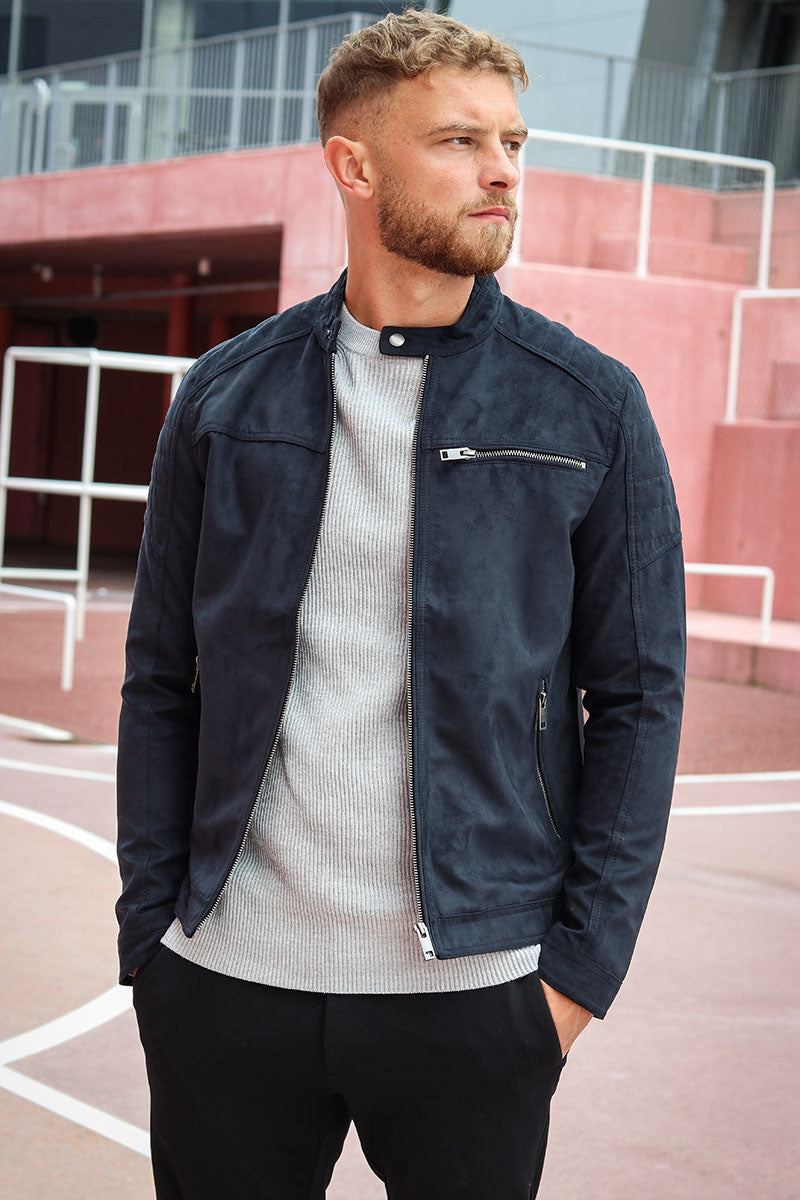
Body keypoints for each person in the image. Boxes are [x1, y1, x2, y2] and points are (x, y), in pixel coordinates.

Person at [116, 9, 686, 1199]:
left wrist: (574, 979)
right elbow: (160, 679)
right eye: (458, 141)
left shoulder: (588, 405)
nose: (501, 172)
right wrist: (151, 937)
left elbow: (638, 698)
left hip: (478, 998)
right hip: (224, 984)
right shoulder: (222, 398)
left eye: (512, 143)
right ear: (355, 165)